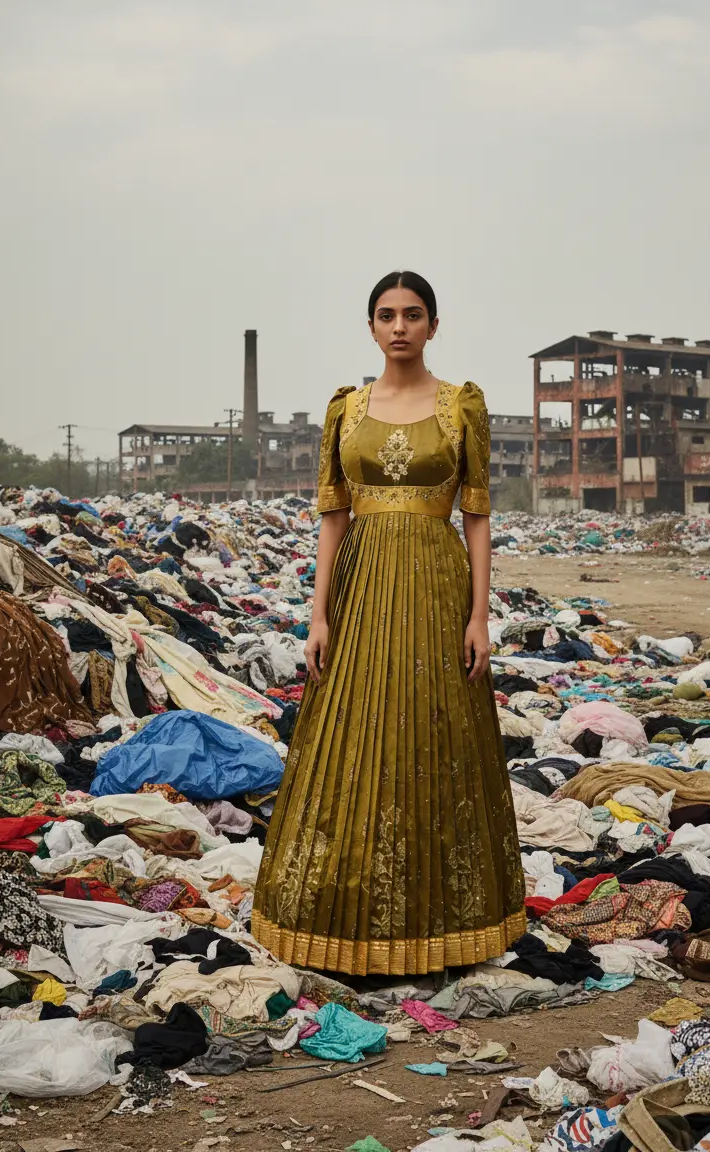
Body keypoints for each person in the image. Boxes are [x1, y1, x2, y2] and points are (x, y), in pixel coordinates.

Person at [251, 271, 525, 976]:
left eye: (412, 314)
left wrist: (478, 616)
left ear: (434, 325)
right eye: (386, 315)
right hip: (360, 589)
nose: (399, 326)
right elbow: (333, 519)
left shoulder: (463, 406)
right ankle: (339, 920)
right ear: (371, 327)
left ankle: (444, 922)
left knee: (433, 732)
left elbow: (479, 516)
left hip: (437, 586)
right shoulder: (345, 409)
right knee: (353, 735)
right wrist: (316, 614)